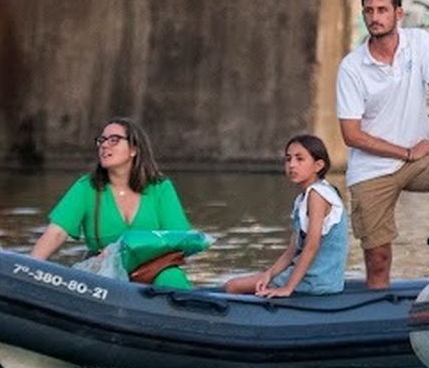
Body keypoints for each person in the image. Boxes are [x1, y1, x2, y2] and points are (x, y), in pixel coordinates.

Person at [336, 0, 429, 287]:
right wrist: (406, 152)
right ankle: (376, 321)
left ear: (398, 13)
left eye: (382, 10)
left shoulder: (419, 42)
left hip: (419, 161)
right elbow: (352, 135)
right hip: (372, 170)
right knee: (378, 262)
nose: (375, 17)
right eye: (369, 11)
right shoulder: (352, 67)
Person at [30, 118, 193, 289]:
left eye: (114, 140)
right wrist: (28, 269)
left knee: (172, 278)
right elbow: (55, 233)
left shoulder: (160, 188)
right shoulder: (86, 187)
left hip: (152, 271)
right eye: (102, 140)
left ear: (134, 149)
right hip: (103, 275)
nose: (104, 145)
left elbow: (180, 239)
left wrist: (120, 250)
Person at [226, 135, 347, 298]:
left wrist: (287, 288)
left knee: (232, 287)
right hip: (314, 277)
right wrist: (268, 274)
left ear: (318, 165)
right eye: (288, 159)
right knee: (247, 282)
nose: (292, 165)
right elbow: (292, 249)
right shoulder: (303, 198)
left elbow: (312, 245)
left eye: (300, 159)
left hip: (317, 280)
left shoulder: (318, 195)